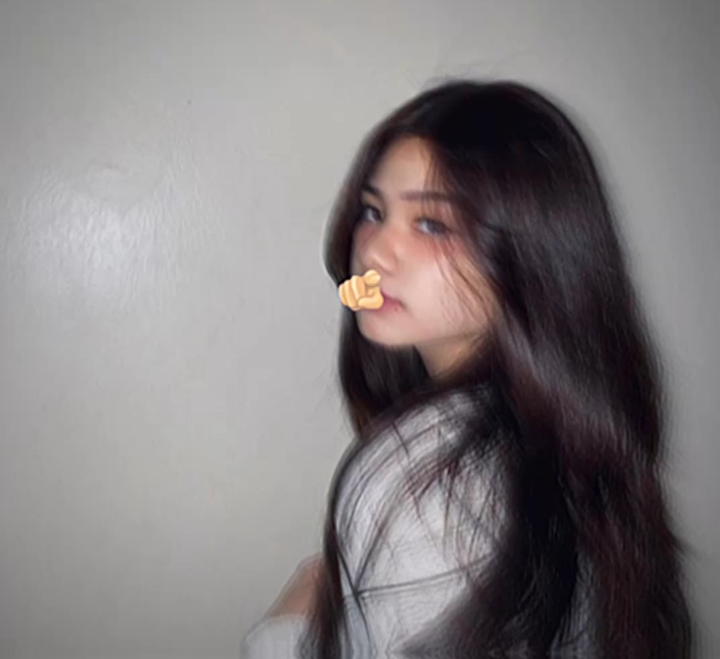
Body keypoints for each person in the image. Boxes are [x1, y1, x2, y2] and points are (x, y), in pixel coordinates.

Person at [241, 80, 693, 658]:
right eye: (373, 212)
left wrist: (282, 635)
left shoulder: (421, 479)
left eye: (433, 224)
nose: (373, 251)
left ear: (531, 251)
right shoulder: (567, 433)